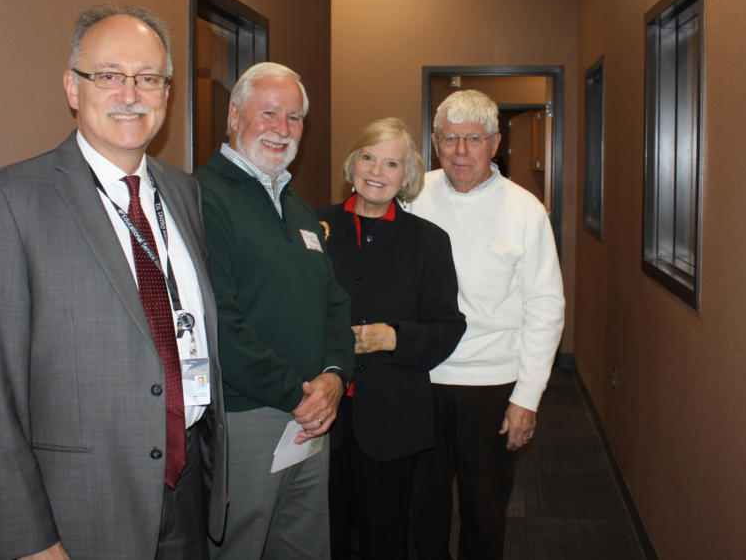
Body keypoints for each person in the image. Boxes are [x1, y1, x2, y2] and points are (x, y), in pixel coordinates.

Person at [0, 3, 228, 559]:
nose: (131, 94)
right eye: (108, 76)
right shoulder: (10, 200)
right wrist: (27, 539)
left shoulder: (183, 193)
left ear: (167, 93)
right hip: (77, 514)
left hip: (188, 496)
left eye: (149, 78)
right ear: (72, 89)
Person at [195, 62, 354, 560]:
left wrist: (332, 378)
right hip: (247, 418)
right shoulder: (204, 198)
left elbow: (334, 303)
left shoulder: (298, 207)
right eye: (269, 113)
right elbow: (219, 320)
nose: (282, 129)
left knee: (303, 548)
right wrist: (300, 395)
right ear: (234, 115)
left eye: (295, 117)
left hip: (310, 418)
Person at [408, 89, 565, 559]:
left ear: (494, 144)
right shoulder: (413, 195)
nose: (461, 152)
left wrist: (527, 398)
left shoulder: (525, 211)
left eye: (473, 139)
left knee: (485, 511)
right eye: (450, 139)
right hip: (420, 380)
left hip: (492, 385)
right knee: (422, 509)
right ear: (434, 143)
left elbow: (545, 307)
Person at [316, 118, 466, 560]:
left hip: (392, 419)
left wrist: (393, 338)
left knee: (387, 539)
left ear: (407, 177)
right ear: (352, 163)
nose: (377, 171)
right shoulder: (313, 228)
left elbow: (447, 326)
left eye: (391, 163)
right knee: (324, 536)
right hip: (322, 417)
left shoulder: (429, 242)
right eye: (368, 157)